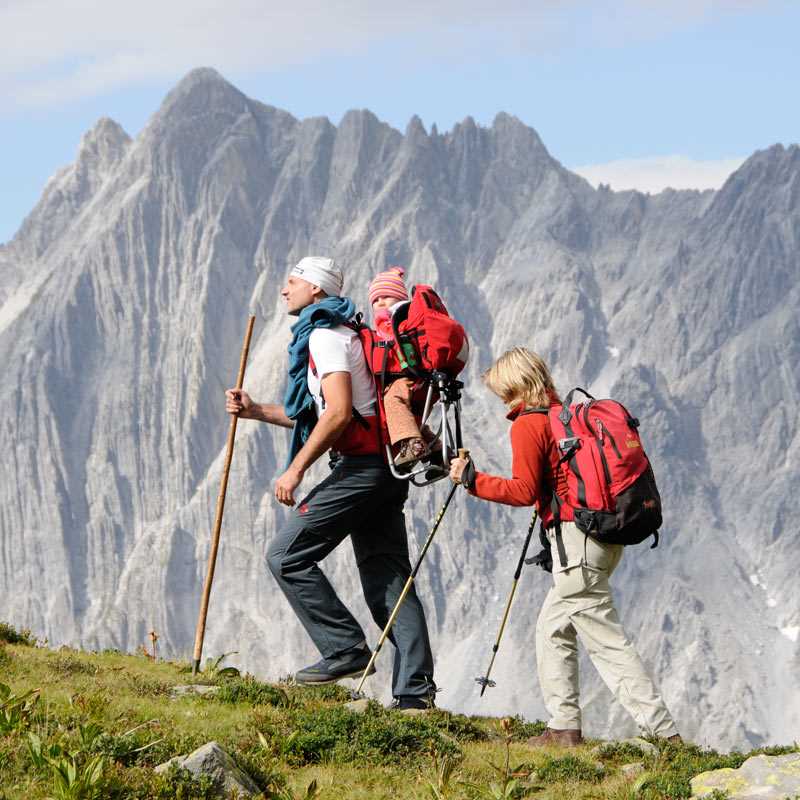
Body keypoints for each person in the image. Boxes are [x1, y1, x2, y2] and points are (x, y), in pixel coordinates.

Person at [225, 256, 436, 709]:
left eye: (293, 282)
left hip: (362, 471)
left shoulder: (323, 336)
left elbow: (338, 413)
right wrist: (256, 410)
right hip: (386, 470)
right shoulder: (347, 333)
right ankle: (415, 696)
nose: (284, 290)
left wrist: (296, 469)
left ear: (316, 291)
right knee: (390, 581)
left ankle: (345, 649)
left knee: (285, 556)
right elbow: (326, 413)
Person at [449, 347, 680, 746]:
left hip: (576, 544)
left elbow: (523, 491)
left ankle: (663, 734)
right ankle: (563, 729)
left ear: (516, 386)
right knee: (551, 629)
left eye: (503, 393)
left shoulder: (528, 425)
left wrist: (472, 480)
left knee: (606, 642)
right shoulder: (564, 418)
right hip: (603, 539)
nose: (503, 401)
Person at [368, 266, 428, 467]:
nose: (380, 302)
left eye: (386, 296)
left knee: (393, 401)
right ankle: (436, 450)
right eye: (375, 300)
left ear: (399, 297)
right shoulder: (403, 318)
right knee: (408, 417)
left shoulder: (397, 319)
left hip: (406, 377)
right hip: (418, 378)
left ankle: (413, 446)